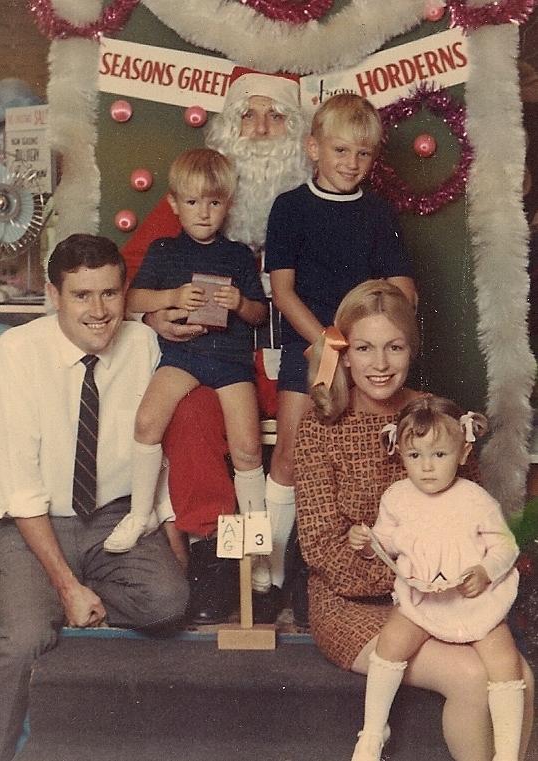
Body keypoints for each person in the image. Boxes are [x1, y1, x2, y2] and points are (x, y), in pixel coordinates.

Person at [0, 234, 189, 761]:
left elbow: (160, 459)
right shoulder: (15, 356)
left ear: (125, 291)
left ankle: (38, 590)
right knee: (23, 639)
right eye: (82, 295)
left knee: (169, 601)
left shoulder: (144, 346)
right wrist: (66, 587)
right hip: (35, 520)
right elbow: (19, 491)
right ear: (53, 295)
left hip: (115, 517)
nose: (99, 311)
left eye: (110, 294)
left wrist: (172, 544)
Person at [293, 279, 534, 761]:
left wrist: (458, 577)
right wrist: (409, 578)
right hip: (352, 603)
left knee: (523, 678)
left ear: (412, 348)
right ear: (344, 351)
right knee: (469, 677)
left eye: (394, 347)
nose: (380, 365)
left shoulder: (436, 417)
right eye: (364, 348)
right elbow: (320, 545)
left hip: (441, 592)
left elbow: (470, 515)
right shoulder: (320, 425)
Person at [121, 67, 311, 624]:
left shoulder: (307, 202)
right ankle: (219, 563)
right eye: (247, 116)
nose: (259, 129)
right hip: (214, 358)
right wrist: (159, 316)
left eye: (275, 116)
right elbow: (131, 282)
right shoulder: (186, 201)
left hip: (293, 360)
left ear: (296, 132)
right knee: (191, 421)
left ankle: (289, 565)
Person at [259, 93, 417, 619]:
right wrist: (329, 345)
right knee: (289, 456)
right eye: (340, 150)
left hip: (367, 352)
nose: (351, 164)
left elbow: (401, 288)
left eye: (363, 154)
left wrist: (382, 327)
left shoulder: (377, 212)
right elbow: (283, 292)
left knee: (361, 457)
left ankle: (327, 566)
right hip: (316, 347)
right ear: (313, 148)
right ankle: (272, 573)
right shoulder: (291, 207)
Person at [104, 148, 267, 553]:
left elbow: (260, 314)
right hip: (185, 357)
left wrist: (238, 304)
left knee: (247, 448)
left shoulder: (238, 255)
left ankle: (256, 545)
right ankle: (140, 514)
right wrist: (171, 297)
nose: (204, 213)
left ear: (227, 205)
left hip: (230, 362)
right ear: (175, 204)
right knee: (146, 422)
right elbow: (133, 299)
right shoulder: (164, 251)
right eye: (192, 202)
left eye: (214, 203)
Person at [348, 395, 523, 761]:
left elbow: (506, 547)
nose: (427, 467)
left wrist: (485, 571)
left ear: (461, 454)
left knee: (505, 661)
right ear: (400, 454)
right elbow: (390, 543)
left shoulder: (476, 500)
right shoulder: (396, 497)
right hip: (424, 598)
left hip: (471, 599)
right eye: (416, 456)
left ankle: (506, 754)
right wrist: (368, 543)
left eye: (439, 455)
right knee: (392, 640)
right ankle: (372, 732)